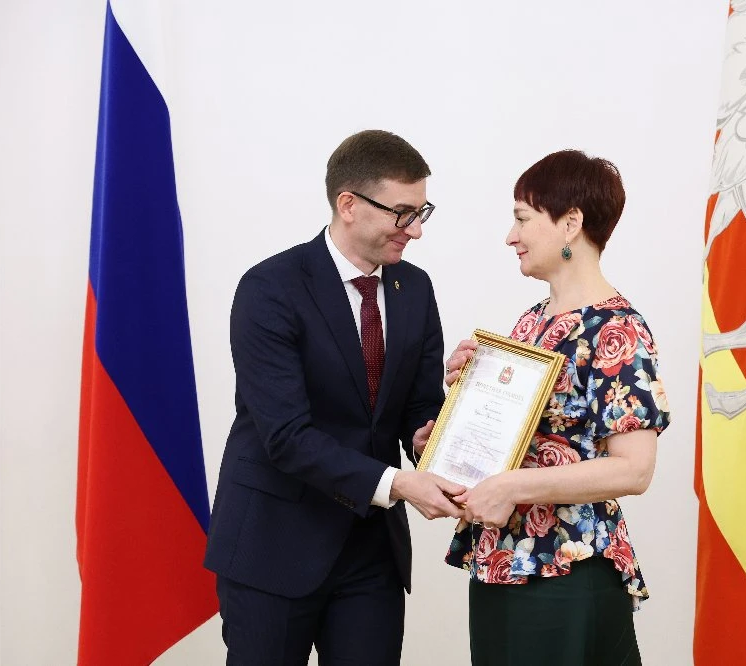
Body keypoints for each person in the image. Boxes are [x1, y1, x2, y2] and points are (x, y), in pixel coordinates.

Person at [204, 130, 465, 665]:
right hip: (274, 544)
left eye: (422, 212)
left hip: (371, 552)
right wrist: (398, 483)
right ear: (348, 205)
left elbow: (417, 408)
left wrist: (433, 437)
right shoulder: (270, 288)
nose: (416, 230)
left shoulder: (414, 289)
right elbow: (286, 436)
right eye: (403, 213)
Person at [435, 149, 671, 665]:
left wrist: (511, 487)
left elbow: (634, 470)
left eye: (522, 218)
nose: (510, 236)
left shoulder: (618, 330)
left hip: (566, 566)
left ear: (570, 223)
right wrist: (461, 407)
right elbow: (528, 442)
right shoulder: (531, 322)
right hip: (504, 561)